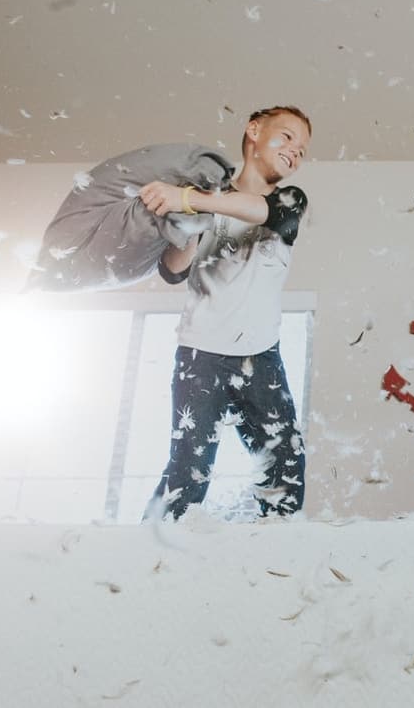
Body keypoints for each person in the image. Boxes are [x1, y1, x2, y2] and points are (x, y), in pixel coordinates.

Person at [141, 105, 312, 521]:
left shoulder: (289, 199)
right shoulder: (204, 197)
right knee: (188, 473)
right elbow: (172, 270)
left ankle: (272, 557)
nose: (296, 151)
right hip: (200, 356)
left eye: (303, 149)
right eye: (287, 136)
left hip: (260, 357)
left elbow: (265, 213)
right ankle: (146, 555)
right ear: (254, 130)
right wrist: (190, 217)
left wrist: (190, 198)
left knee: (286, 470)